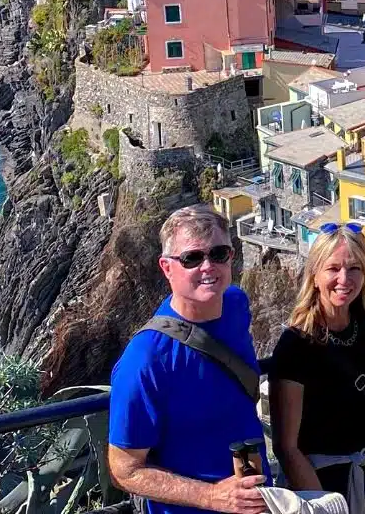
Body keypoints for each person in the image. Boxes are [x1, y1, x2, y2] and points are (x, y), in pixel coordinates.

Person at [108, 206, 280, 514]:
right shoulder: (145, 360)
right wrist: (213, 497)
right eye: (191, 258)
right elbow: (124, 470)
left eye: (219, 253)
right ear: (166, 267)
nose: (208, 266)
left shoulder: (235, 304)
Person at [268, 223, 365, 514]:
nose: (344, 279)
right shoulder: (296, 345)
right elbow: (287, 447)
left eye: (355, 268)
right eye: (333, 269)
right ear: (315, 275)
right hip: (326, 486)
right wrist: (325, 507)